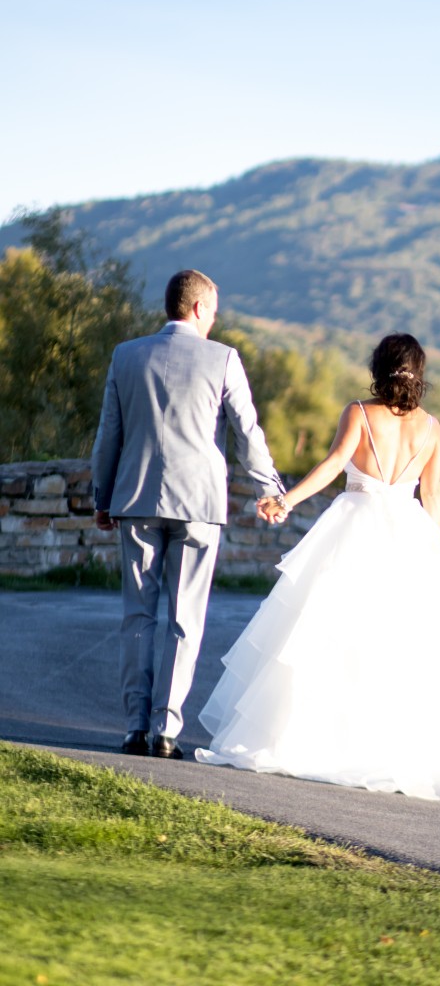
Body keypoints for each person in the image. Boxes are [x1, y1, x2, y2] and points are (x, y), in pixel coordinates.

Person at [195, 333, 440, 811]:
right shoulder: (432, 428)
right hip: (408, 536)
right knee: (401, 645)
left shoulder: (359, 412)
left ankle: (327, 739)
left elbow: (334, 465)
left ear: (379, 367)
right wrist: (434, 553)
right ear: (419, 373)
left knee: (333, 636)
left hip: (353, 530)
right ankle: (390, 747)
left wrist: (286, 500)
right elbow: (432, 494)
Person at [91, 268, 285, 760]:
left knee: (137, 614)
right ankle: (166, 730)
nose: (214, 321)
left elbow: (109, 434)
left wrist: (101, 497)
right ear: (198, 308)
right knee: (185, 618)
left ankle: (134, 727)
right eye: (213, 312)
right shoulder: (223, 359)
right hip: (198, 503)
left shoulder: (126, 355)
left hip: (136, 499)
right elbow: (247, 433)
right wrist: (269, 490)